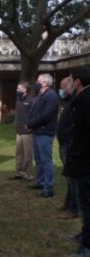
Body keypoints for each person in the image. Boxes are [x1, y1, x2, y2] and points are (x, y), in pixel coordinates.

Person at [63, 66, 90, 257]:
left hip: (84, 162)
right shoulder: (80, 99)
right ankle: (85, 233)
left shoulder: (86, 101)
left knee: (87, 204)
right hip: (80, 159)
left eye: (71, 80)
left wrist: (77, 155)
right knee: (84, 202)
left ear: (78, 82)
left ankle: (87, 246)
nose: (69, 83)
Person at [26, 73, 60, 198]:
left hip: (45, 133)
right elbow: (36, 112)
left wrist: (30, 124)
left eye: (38, 81)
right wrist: (31, 125)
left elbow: (46, 115)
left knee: (46, 160)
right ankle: (40, 182)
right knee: (39, 160)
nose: (36, 82)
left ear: (45, 83)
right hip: (38, 131)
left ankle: (48, 187)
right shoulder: (41, 95)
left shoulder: (51, 96)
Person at [57, 76, 78, 219]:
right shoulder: (68, 101)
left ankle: (73, 209)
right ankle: (68, 203)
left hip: (70, 144)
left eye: (63, 87)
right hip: (64, 143)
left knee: (73, 178)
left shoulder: (77, 101)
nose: (61, 90)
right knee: (69, 177)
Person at [9, 81, 34, 181]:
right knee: (19, 153)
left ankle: (28, 175)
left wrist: (31, 126)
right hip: (18, 131)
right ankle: (19, 173)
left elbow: (34, 115)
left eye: (19, 89)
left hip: (27, 132)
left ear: (25, 89)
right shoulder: (18, 100)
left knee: (27, 154)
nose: (17, 90)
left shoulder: (31, 100)